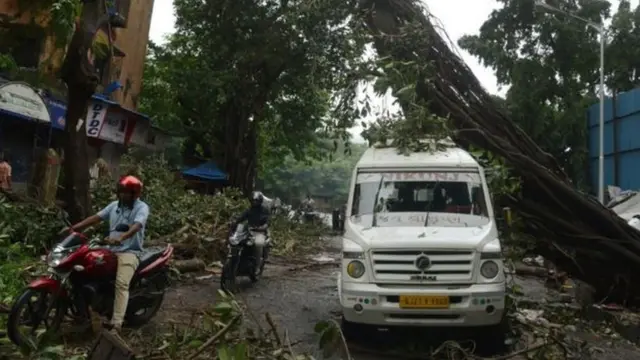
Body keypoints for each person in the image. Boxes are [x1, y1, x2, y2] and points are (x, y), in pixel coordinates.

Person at [63, 175, 149, 333]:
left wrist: (123, 237)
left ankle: (116, 323)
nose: (123, 195)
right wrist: (75, 228)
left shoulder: (141, 207)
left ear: (135, 194)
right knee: (81, 270)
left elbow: (137, 225)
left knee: (121, 284)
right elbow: (96, 217)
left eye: (127, 192)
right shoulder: (114, 206)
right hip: (110, 249)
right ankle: (84, 313)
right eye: (121, 192)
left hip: (129, 252)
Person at [232, 191, 269, 271]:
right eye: (253, 200)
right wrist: (234, 222)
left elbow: (266, 223)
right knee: (237, 241)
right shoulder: (249, 210)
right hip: (249, 231)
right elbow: (240, 218)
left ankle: (257, 266)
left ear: (260, 201)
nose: (254, 202)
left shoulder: (264, 211)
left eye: (256, 201)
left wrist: (261, 228)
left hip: (259, 232)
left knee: (258, 244)